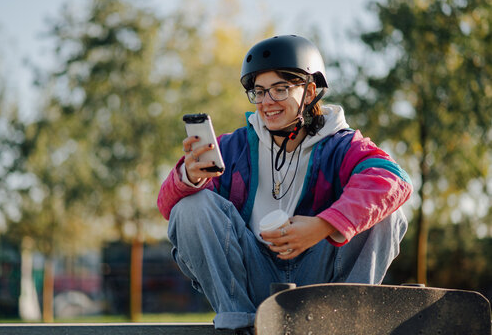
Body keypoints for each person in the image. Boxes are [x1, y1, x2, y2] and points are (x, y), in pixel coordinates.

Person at [157, 35, 412, 333]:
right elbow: (169, 208)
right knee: (191, 205)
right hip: (250, 275)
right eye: (259, 91)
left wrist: (323, 225)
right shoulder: (232, 147)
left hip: (320, 276)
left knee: (387, 213)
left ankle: (346, 324)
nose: (267, 102)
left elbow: (395, 180)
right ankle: (238, 325)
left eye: (280, 89)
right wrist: (189, 177)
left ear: (309, 91)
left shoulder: (342, 145)